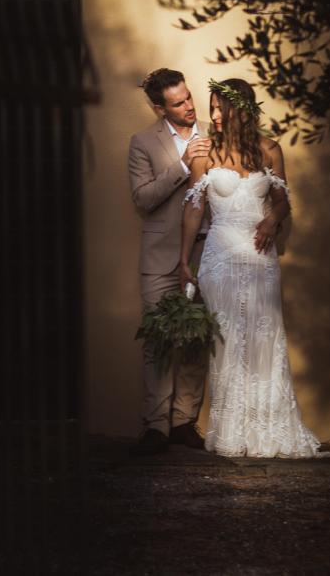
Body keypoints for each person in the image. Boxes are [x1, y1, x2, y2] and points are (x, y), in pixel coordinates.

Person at [177, 77, 328, 458]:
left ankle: (268, 430)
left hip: (261, 259)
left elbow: (282, 201)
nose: (213, 115)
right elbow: (195, 208)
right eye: (211, 107)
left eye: (219, 107)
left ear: (240, 109)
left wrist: (271, 220)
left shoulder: (270, 150)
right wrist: (183, 259)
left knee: (264, 339)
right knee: (226, 343)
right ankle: (231, 433)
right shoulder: (204, 153)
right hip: (219, 259)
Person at [126, 68, 213, 455]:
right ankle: (155, 427)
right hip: (160, 255)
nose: (190, 106)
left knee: (197, 338)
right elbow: (143, 200)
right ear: (160, 108)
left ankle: (183, 422)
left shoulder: (216, 131)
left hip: (207, 251)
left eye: (189, 97)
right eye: (178, 103)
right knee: (158, 341)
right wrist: (181, 166)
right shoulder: (142, 142)